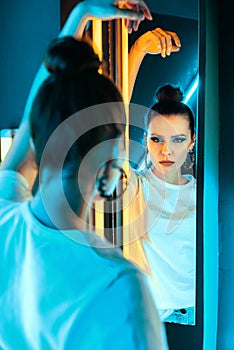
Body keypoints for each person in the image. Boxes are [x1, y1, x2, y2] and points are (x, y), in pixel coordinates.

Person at [0, 1, 170, 349]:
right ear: (112, 164)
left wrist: (81, 15)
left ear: (34, 140)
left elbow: (28, 141)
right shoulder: (121, 289)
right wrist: (82, 13)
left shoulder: (5, 223)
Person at [118, 84, 196, 325]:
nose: (166, 150)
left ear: (192, 141)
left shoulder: (205, 194)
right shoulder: (134, 186)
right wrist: (138, 51)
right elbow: (110, 122)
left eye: (178, 139)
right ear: (145, 140)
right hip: (148, 315)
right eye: (156, 139)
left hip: (197, 311)